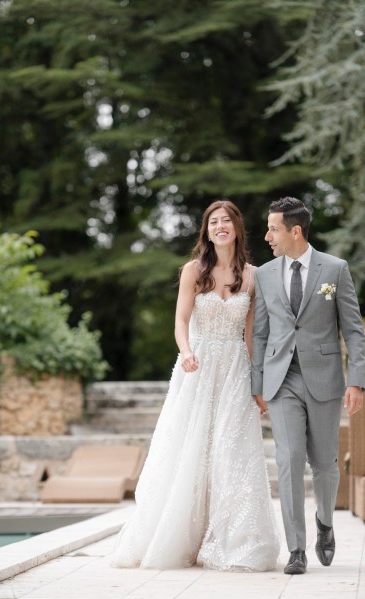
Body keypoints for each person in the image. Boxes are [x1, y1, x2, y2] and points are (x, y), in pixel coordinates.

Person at [112, 200, 279, 572]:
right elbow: (180, 321)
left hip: (236, 368)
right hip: (198, 368)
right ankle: (181, 537)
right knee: (190, 449)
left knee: (231, 450)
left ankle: (235, 538)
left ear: (237, 228)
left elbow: (252, 334)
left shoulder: (253, 276)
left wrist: (258, 384)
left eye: (226, 221)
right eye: (213, 222)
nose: (220, 227)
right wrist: (186, 351)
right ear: (206, 230)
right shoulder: (193, 271)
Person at [251, 197, 365, 575]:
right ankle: (296, 549)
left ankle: (325, 524)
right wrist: (258, 384)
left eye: (273, 229)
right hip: (281, 380)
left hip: (325, 379)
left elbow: (353, 329)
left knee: (326, 465)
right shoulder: (265, 274)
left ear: (294, 231)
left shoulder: (335, 269)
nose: (268, 236)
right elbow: (261, 333)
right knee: (287, 461)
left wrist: (357, 382)